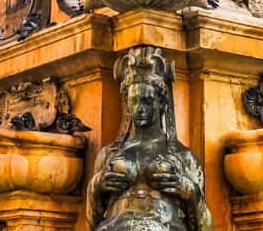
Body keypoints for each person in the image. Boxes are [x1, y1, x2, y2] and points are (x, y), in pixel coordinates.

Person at [86, 46, 212, 231]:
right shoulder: (108, 155)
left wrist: (190, 191)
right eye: (134, 101)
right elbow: (92, 221)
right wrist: (97, 186)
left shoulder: (183, 157)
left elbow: (205, 227)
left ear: (161, 103)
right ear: (127, 103)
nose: (140, 109)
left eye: (147, 100)